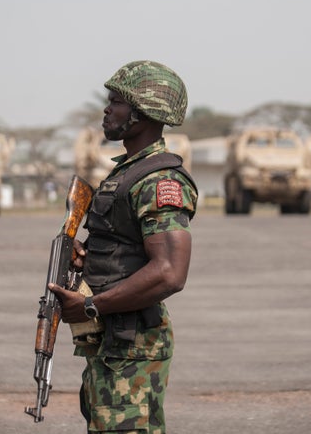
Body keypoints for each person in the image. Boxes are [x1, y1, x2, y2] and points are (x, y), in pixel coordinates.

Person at [49, 60, 197, 434]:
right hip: (115, 344)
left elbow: (169, 272)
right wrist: (89, 257)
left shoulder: (160, 180)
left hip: (133, 347)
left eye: (116, 101)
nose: (107, 109)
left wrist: (90, 306)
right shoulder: (129, 171)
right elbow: (124, 247)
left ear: (143, 113)